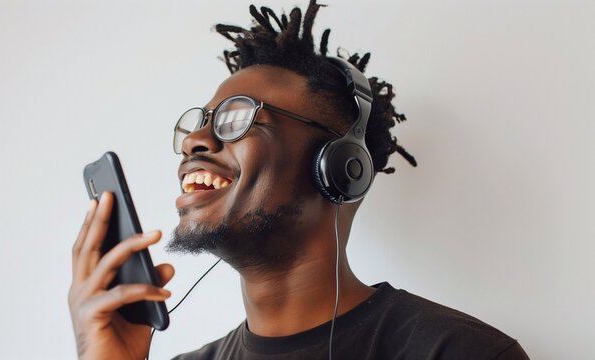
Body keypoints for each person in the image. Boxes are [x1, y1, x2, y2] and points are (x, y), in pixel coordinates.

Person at [68, 1, 529, 359]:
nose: (196, 141)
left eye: (235, 119)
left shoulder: (460, 354)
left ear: (339, 167)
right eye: (198, 123)